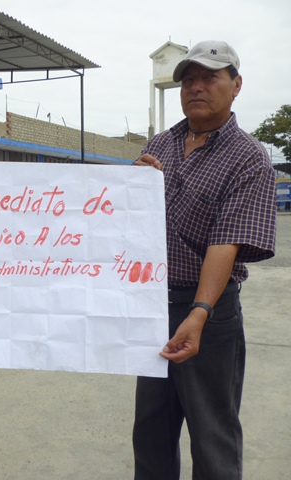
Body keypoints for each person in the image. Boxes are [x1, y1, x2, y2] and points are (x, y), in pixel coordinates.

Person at [132, 40, 276, 479]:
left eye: (210, 77)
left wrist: (198, 313)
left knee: (212, 435)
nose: (196, 87)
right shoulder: (161, 144)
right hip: (153, 307)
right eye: (188, 79)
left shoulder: (249, 158)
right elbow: (130, 228)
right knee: (151, 431)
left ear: (236, 85)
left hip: (209, 315)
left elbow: (226, 242)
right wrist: (132, 189)